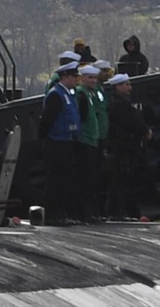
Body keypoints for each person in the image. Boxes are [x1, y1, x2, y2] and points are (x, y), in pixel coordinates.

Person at [37, 55, 83, 223]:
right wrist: (43, 140)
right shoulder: (56, 95)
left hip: (66, 142)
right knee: (55, 180)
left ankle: (62, 213)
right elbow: (47, 120)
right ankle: (53, 214)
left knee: (65, 180)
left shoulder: (68, 94)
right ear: (65, 77)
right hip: (56, 142)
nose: (76, 79)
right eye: (73, 76)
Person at [105, 69, 151, 220]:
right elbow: (131, 122)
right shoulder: (118, 104)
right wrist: (144, 130)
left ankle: (125, 211)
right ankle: (116, 211)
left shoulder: (124, 103)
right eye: (126, 85)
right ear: (117, 87)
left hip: (128, 147)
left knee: (125, 180)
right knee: (119, 180)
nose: (129, 87)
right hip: (122, 147)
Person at [73, 63, 109, 222]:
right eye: (90, 78)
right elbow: (80, 118)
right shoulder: (81, 94)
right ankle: (83, 212)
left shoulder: (92, 94)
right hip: (85, 140)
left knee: (92, 179)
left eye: (95, 77)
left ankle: (91, 211)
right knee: (84, 179)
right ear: (82, 79)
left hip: (93, 140)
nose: (93, 80)